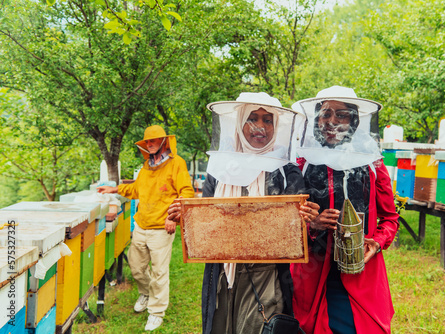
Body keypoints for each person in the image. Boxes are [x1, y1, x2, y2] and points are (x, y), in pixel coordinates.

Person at [168, 92, 319, 334]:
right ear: (239, 123)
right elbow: (208, 220)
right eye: (252, 118)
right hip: (222, 273)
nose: (260, 127)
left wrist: (307, 219)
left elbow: (295, 228)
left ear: (276, 126)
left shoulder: (285, 169)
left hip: (266, 275)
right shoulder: (219, 168)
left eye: (267, 120)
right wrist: (186, 218)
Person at [290, 86, 400, 334]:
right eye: (326, 113)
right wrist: (312, 224)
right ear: (316, 119)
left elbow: (390, 218)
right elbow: (284, 222)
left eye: (341, 115)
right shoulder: (301, 164)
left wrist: (377, 242)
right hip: (313, 272)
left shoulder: (372, 164)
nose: (332, 121)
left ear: (354, 121)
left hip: (361, 273)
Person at [98, 125, 194, 331]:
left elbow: (186, 192)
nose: (149, 144)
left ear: (164, 142)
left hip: (162, 228)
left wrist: (174, 217)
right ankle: (146, 292)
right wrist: (113, 188)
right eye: (147, 142)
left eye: (153, 140)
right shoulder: (146, 167)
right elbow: (135, 189)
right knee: (136, 267)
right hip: (141, 225)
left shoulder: (177, 164)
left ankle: (156, 312)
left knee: (159, 272)